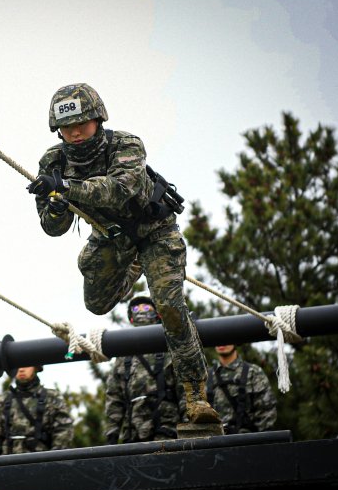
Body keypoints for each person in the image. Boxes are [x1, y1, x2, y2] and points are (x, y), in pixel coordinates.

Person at [26, 83, 219, 425]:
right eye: (67, 127)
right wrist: (56, 204)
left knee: (170, 308)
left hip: (154, 235)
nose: (75, 132)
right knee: (97, 304)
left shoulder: (125, 145)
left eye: (82, 123)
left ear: (98, 119)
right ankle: (132, 269)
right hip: (112, 240)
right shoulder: (52, 161)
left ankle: (195, 393)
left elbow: (118, 190)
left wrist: (67, 188)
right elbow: (52, 228)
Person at [105, 295, 183, 443]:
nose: (141, 311)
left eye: (146, 307)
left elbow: (184, 389)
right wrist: (112, 435)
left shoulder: (169, 348)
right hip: (133, 430)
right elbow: (114, 397)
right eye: (136, 308)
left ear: (157, 314)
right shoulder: (123, 356)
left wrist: (190, 424)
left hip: (167, 428)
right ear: (131, 318)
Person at [0, 366, 74, 455]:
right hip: (8, 463)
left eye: (26, 365)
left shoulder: (51, 397)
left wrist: (54, 461)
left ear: (36, 367)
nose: (21, 369)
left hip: (41, 462)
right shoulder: (5, 400)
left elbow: (63, 431)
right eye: (17, 365)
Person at [207, 345, 278, 434]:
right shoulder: (205, 377)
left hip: (247, 442)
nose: (222, 343)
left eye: (227, 336)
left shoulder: (253, 372)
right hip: (213, 443)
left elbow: (267, 412)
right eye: (217, 338)